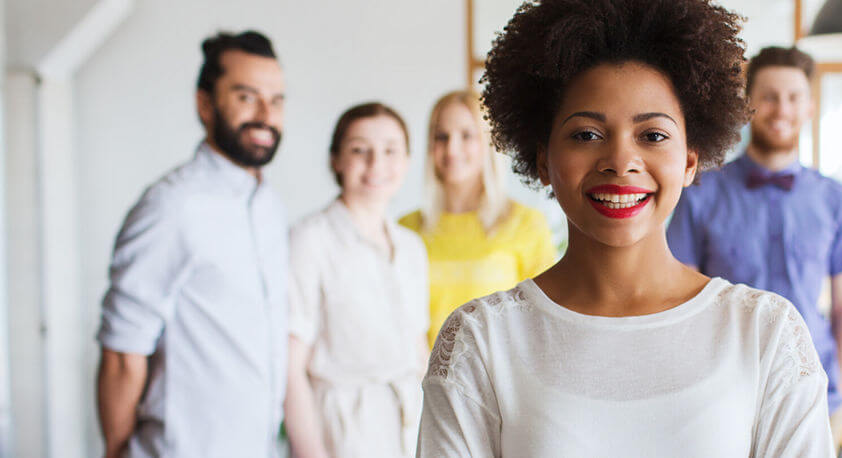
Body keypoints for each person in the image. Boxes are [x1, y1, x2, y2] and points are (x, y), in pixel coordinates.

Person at [417, 1, 835, 456]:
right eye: (586, 134)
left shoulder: (765, 334)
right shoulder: (481, 341)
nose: (620, 161)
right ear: (542, 160)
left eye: (652, 135)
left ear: (690, 161)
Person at [95, 31, 288, 458]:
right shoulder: (171, 206)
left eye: (276, 100)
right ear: (205, 104)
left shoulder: (271, 205)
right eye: (246, 97)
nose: (265, 114)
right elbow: (122, 354)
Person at [666, 46, 842, 432]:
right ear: (748, 105)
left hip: (816, 393)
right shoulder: (699, 194)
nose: (782, 109)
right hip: (723, 391)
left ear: (810, 108)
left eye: (794, 98)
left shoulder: (836, 200)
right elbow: (682, 302)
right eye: (769, 97)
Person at [283, 103, 431, 457]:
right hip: (342, 433)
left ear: (407, 161)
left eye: (390, 150)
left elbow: (418, 349)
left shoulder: (411, 246)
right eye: (359, 150)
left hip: (409, 430)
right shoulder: (309, 240)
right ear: (336, 159)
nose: (376, 164)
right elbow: (289, 368)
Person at [399, 90, 555, 345]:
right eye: (441, 136)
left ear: (488, 143)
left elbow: (545, 321)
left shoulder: (526, 224)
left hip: (497, 381)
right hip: (420, 380)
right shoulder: (406, 229)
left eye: (466, 135)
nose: (452, 148)